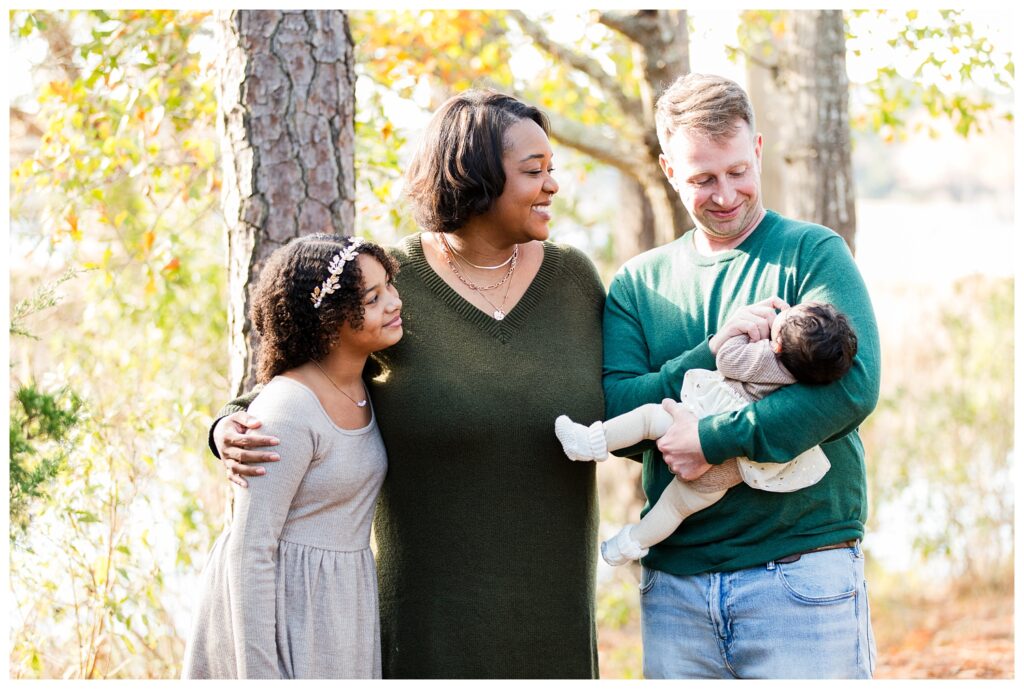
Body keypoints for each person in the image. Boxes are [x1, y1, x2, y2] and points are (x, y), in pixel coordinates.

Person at [207, 91, 605, 678]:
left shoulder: (573, 280)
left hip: (553, 621)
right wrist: (227, 428)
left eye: (552, 170)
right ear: (474, 178)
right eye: (533, 171)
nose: (552, 186)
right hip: (424, 626)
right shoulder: (390, 285)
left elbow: (630, 392)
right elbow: (300, 380)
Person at [602, 73, 880, 678]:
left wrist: (711, 439)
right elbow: (618, 403)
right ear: (669, 171)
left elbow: (852, 388)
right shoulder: (637, 284)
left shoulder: (812, 253)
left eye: (737, 171)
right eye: (702, 178)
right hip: (675, 590)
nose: (725, 194)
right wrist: (712, 349)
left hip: (802, 577)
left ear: (757, 150)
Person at [182, 234, 402, 678]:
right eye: (373, 297)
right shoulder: (288, 409)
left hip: (341, 603)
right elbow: (250, 551)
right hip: (283, 609)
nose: (394, 302)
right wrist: (261, 673)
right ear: (329, 319)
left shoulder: (369, 383)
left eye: (390, 286)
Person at [557, 300, 858, 565]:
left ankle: (591, 443)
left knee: (649, 418)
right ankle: (630, 544)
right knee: (674, 508)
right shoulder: (807, 381)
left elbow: (727, 358)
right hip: (726, 475)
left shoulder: (766, 358)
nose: (784, 309)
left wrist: (738, 335)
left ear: (777, 345)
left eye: (789, 314)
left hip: (702, 421)